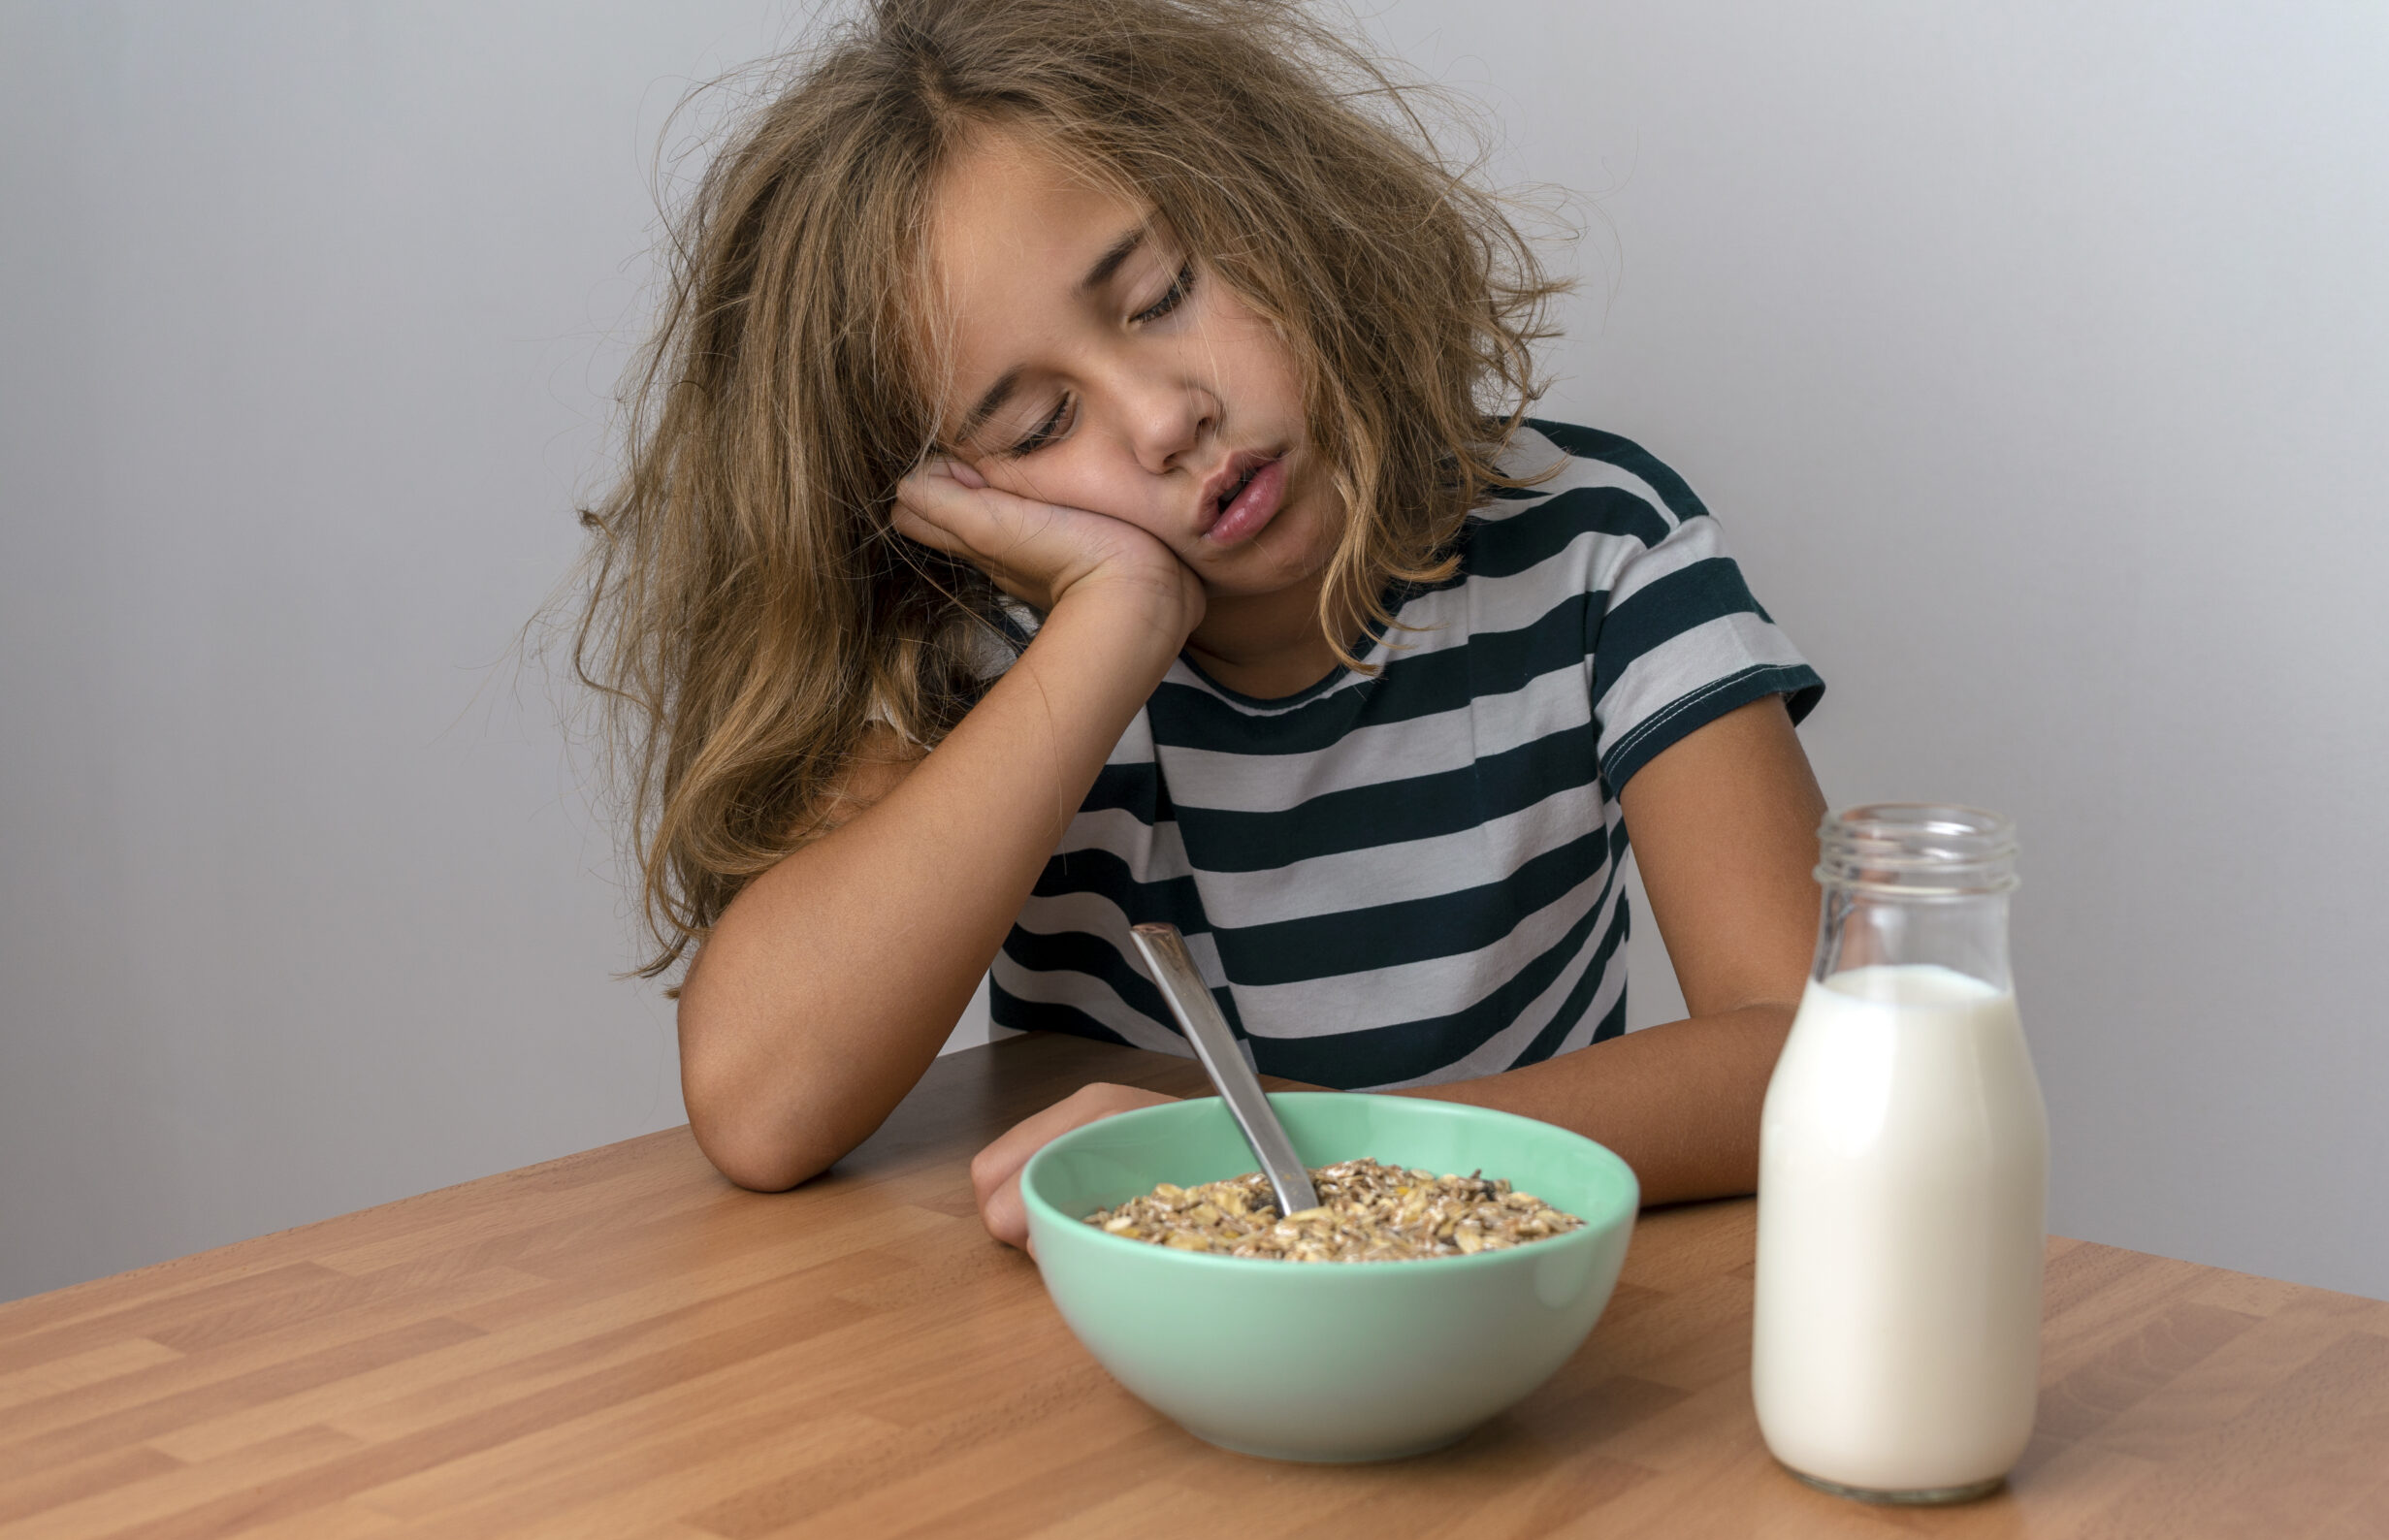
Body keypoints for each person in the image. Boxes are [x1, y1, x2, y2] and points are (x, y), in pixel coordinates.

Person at [569, 0, 1829, 1247]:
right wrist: (1118, 620)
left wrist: (1331, 1154)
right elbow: (760, 1104)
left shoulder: (1600, 547)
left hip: (1496, 1341)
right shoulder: (988, 663)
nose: (1164, 419)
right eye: (1038, 428)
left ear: (1282, 209)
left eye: (1165, 293)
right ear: (948, 502)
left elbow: (1809, 1058)